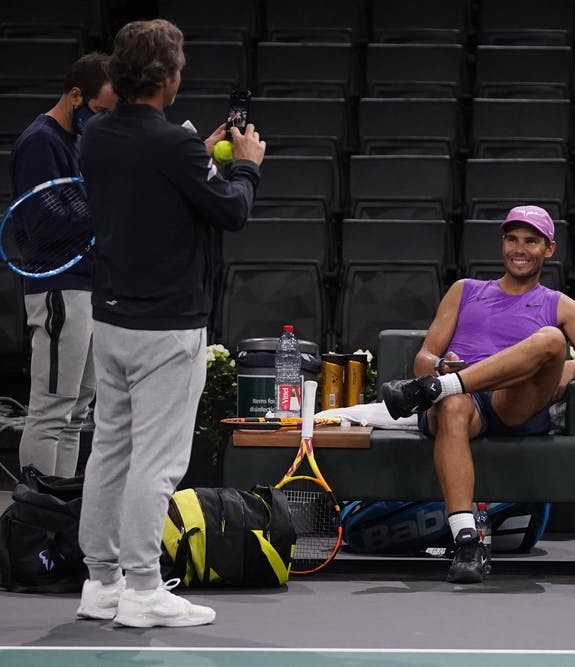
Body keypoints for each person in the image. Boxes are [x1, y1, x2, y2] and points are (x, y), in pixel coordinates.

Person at [75, 19, 266, 627]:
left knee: (109, 450)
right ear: (170, 78)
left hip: (111, 319)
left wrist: (201, 154)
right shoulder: (173, 146)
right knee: (155, 463)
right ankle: (143, 589)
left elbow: (157, 183)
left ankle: (100, 583)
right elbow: (231, 211)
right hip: (167, 327)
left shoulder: (95, 136)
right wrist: (248, 165)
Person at [382, 204, 575, 584]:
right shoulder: (464, 290)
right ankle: (466, 541)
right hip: (464, 403)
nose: (520, 248)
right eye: (512, 239)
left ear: (549, 249)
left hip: (515, 403)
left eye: (531, 241)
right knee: (450, 405)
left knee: (551, 339)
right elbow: (424, 355)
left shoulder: (556, 303)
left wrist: (573, 366)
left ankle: (439, 389)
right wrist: (438, 367)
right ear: (503, 244)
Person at [10, 53, 118, 478]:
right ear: (76, 96)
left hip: (89, 285)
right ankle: (35, 517)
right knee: (52, 408)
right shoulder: (41, 142)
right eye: (99, 111)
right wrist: (108, 204)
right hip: (59, 286)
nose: (104, 121)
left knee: (77, 412)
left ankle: (62, 512)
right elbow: (44, 222)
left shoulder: (79, 141)